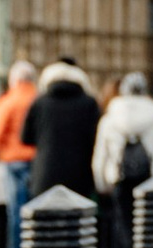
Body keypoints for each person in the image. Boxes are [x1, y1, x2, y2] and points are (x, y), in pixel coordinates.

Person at [92, 71, 153, 248]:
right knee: (148, 225)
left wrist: (101, 182)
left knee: (126, 225)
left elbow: (100, 156)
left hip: (120, 178)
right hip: (150, 178)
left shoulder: (110, 118)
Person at [0, 60, 39, 248]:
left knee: (16, 209)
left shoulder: (8, 101)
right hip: (37, 160)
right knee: (36, 207)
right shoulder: (38, 99)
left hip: (14, 161)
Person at [25, 56, 102, 206]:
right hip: (80, 176)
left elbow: (25, 137)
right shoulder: (89, 103)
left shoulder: (40, 102)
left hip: (45, 175)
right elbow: (96, 139)